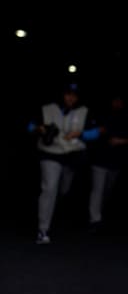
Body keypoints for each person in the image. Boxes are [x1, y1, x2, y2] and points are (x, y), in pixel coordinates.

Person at [28, 82, 99, 244]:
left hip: (72, 156)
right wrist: (39, 129)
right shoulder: (47, 108)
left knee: (64, 189)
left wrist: (81, 134)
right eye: (68, 94)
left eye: (74, 95)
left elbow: (97, 132)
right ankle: (43, 229)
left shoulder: (84, 111)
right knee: (49, 188)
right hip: (50, 153)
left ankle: (56, 209)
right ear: (62, 94)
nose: (70, 98)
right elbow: (30, 126)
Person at [87, 93, 128, 231]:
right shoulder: (101, 116)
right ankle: (95, 219)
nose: (117, 103)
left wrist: (120, 141)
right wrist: (99, 131)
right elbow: (88, 134)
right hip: (99, 160)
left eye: (120, 100)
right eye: (115, 100)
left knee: (107, 190)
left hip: (116, 161)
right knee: (97, 190)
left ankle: (101, 214)